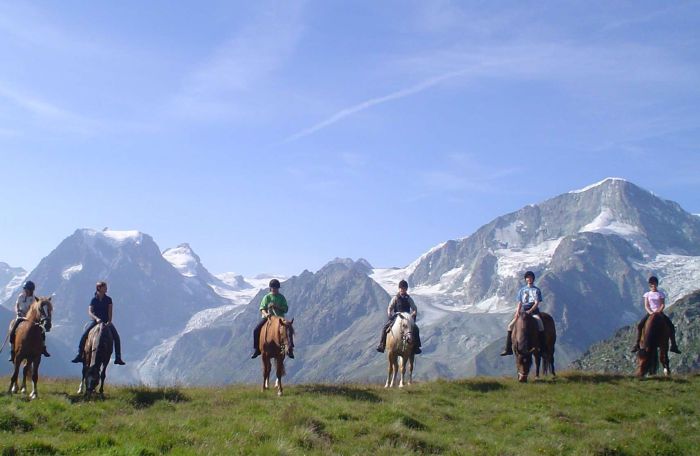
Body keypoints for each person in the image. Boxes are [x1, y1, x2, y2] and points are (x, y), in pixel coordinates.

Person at [71, 281, 125, 365]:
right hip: (96, 322)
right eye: (105, 287)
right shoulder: (94, 300)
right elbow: (90, 312)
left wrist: (109, 321)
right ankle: (79, 354)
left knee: (116, 337)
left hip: (106, 322)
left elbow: (110, 312)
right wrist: (96, 319)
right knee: (85, 335)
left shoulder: (108, 299)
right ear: (99, 288)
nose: (106, 289)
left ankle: (118, 357)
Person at [631, 276, 681, 354]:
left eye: (655, 284)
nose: (653, 286)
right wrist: (651, 313)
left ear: (657, 284)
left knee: (671, 326)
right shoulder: (647, 294)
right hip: (650, 313)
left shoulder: (660, 294)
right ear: (649, 285)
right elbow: (646, 305)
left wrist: (658, 312)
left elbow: (662, 305)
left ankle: (673, 346)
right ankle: (637, 344)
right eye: (652, 285)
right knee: (640, 325)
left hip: (659, 313)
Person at [500, 271, 545, 356]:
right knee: (510, 326)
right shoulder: (522, 290)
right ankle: (508, 348)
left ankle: (542, 347)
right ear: (525, 279)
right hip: (523, 312)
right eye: (527, 277)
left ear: (533, 279)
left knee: (540, 325)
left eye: (531, 277)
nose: (529, 279)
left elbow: (536, 303)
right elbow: (520, 302)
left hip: (533, 312)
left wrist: (530, 310)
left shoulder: (536, 290)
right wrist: (517, 312)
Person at [251, 279, 294, 359]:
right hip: (268, 318)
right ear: (270, 288)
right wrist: (266, 314)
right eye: (273, 288)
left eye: (276, 288)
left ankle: (289, 349)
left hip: (279, 319)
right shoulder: (266, 297)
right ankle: (257, 349)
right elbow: (262, 308)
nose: (275, 290)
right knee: (256, 330)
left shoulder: (281, 298)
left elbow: (285, 309)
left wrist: (277, 306)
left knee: (288, 330)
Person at [376, 279, 422, 354]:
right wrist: (389, 313)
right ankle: (382, 345)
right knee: (385, 327)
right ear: (399, 288)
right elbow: (390, 307)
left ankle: (416, 347)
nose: (402, 289)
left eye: (404, 288)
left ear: (406, 289)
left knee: (416, 328)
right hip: (397, 316)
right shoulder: (395, 298)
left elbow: (414, 308)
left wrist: (413, 313)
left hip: (406, 317)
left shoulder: (409, 299)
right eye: (401, 288)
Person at [8, 280, 50, 362]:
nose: (26, 291)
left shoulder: (34, 299)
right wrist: (18, 312)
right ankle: (12, 351)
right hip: (20, 317)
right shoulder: (20, 296)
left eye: (27, 289)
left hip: (29, 318)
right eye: (25, 289)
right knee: (13, 331)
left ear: (31, 290)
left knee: (42, 331)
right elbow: (16, 305)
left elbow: (34, 311)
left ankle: (43, 347)